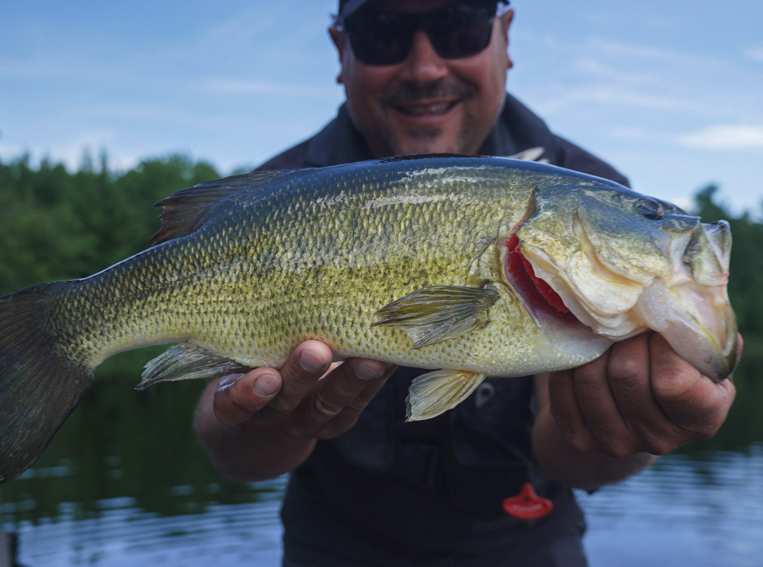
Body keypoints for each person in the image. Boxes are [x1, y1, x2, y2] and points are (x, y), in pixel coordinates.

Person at [195, 1, 738, 565]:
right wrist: (264, 423)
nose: (425, 67)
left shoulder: (590, 189)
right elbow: (236, 461)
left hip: (526, 541)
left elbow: (574, 461)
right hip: (332, 543)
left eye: (459, 28)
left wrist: (630, 428)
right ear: (341, 50)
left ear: (504, 37)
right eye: (383, 34)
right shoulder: (269, 200)